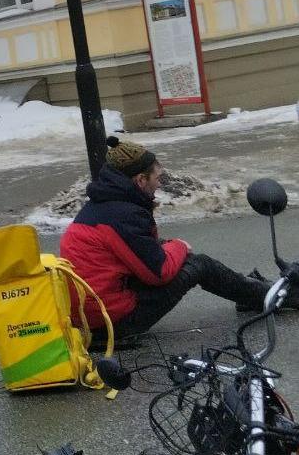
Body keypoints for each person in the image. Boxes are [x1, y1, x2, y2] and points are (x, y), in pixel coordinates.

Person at [60, 136, 291, 339]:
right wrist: (179, 246)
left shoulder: (103, 206)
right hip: (113, 322)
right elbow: (158, 273)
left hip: (92, 316)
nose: (159, 184)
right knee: (199, 265)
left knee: (173, 252)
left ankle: (251, 295)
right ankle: (279, 298)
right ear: (140, 180)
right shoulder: (124, 215)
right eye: (157, 178)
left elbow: (132, 251)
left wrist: (168, 246)